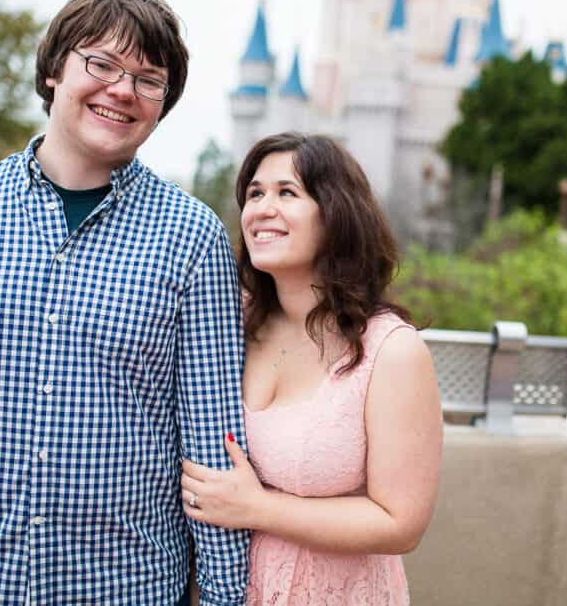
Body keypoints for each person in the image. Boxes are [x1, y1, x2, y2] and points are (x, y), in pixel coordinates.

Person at [0, 0, 249, 605]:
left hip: (127, 587)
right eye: (103, 64)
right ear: (53, 70)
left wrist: (225, 598)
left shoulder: (193, 237)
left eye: (148, 79)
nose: (122, 89)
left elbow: (211, 439)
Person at [179, 133, 443, 605]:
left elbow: (400, 524)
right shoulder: (227, 324)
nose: (262, 208)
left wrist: (257, 508)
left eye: (287, 193)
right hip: (230, 591)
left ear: (337, 214)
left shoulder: (390, 351)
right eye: (255, 194)